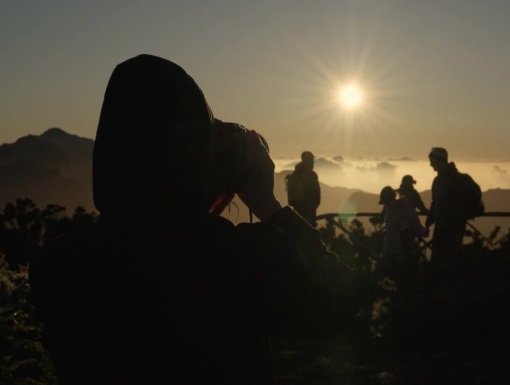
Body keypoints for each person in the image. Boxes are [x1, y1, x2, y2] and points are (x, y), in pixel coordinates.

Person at [29, 54, 336, 385]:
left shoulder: (59, 266)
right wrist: (268, 205)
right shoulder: (247, 260)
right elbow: (341, 301)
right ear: (198, 158)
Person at [424, 147, 474, 268]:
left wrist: (429, 221)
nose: (430, 164)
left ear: (438, 160)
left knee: (443, 262)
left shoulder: (442, 181)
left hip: (448, 229)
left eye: (431, 160)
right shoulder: (452, 179)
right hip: (453, 227)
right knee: (450, 262)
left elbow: (436, 203)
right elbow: (436, 203)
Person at [377, 186, 428, 289]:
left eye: (386, 201)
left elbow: (415, 224)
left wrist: (423, 232)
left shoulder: (404, 209)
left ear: (392, 199)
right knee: (388, 277)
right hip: (391, 249)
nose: (386, 204)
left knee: (401, 278)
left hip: (402, 250)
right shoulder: (390, 209)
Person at [286, 150, 321, 226]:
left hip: (298, 207)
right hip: (309, 208)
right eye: (312, 160)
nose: (313, 162)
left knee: (300, 226)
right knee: (309, 229)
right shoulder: (311, 175)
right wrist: (315, 203)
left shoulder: (296, 173)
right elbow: (315, 192)